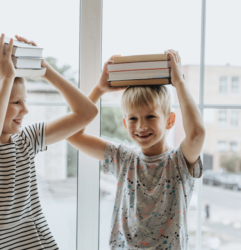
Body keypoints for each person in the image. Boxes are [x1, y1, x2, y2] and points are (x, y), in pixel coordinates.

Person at [0, 33, 98, 250]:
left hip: (31, 240)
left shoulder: (27, 140)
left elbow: (87, 112)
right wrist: (5, 79)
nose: (25, 109)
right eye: (15, 101)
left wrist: (44, 69)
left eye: (25, 101)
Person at [67, 50, 205, 249]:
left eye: (150, 117)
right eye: (133, 118)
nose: (140, 126)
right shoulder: (123, 158)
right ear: (125, 123)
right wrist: (99, 89)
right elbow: (71, 133)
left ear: (169, 120)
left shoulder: (179, 161)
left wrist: (179, 83)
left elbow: (197, 133)